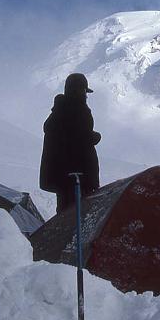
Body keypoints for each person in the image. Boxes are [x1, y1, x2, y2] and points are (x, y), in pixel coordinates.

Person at [39, 73, 101, 214]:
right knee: (78, 217)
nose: (86, 95)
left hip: (63, 179)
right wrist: (94, 137)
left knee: (66, 215)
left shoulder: (59, 112)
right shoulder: (77, 110)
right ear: (78, 90)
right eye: (84, 91)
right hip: (77, 178)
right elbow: (77, 141)